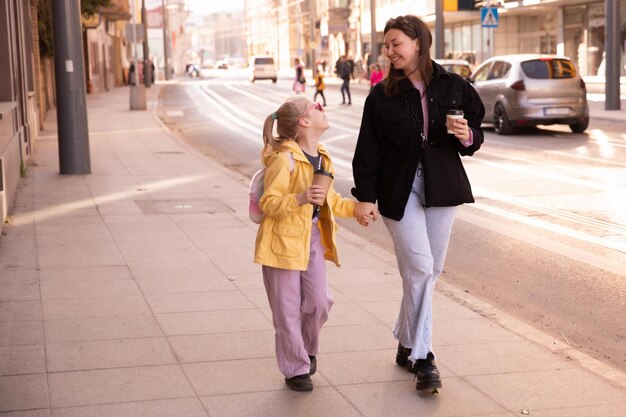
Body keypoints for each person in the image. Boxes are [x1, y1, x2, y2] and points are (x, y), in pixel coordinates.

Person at [351, 15, 485, 394]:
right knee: (422, 268)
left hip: (443, 187)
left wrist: (467, 135)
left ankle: (407, 339)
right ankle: (423, 358)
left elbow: (475, 136)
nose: (389, 51)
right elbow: (368, 150)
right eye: (386, 45)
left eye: (396, 44)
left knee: (429, 270)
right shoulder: (382, 95)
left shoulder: (455, 86)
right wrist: (364, 196)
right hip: (399, 190)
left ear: (418, 44)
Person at [255, 96, 374, 392]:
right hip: (282, 242)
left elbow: (329, 199)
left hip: (312, 238)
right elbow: (268, 203)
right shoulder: (284, 159)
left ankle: (306, 349)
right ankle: (295, 367)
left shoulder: (322, 155)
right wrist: (300, 197)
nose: (323, 107)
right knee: (287, 308)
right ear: (304, 122)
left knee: (321, 301)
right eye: (316, 107)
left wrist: (355, 208)